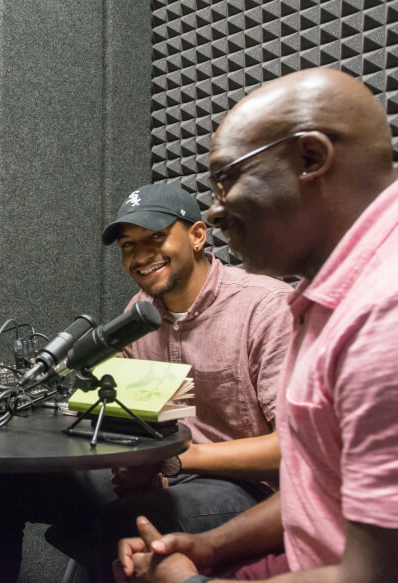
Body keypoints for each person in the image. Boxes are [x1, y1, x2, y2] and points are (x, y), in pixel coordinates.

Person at [115, 68, 398, 583]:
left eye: (227, 179)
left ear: (311, 159)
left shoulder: (383, 318)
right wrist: (207, 546)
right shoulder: (324, 302)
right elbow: (310, 487)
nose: (219, 210)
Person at [0, 184, 292, 583]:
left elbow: (292, 449)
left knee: (130, 521)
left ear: (197, 235)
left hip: (249, 491)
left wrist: (173, 459)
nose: (140, 257)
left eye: (156, 238)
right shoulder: (141, 312)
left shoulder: (266, 309)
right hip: (163, 471)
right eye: (128, 246)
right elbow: (120, 410)